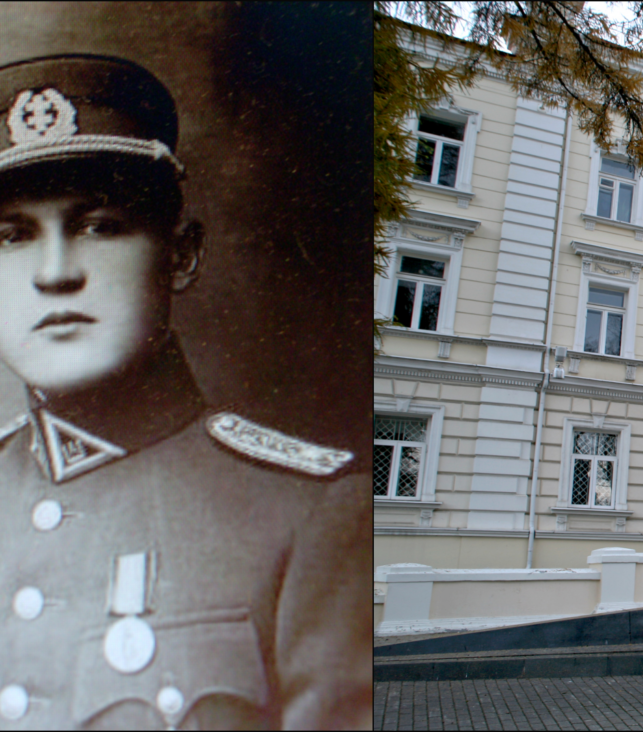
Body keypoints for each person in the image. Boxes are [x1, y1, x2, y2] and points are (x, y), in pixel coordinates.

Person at [0, 54, 370, 729]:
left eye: (99, 226)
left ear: (182, 254)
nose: (54, 274)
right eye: (12, 236)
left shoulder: (309, 513)